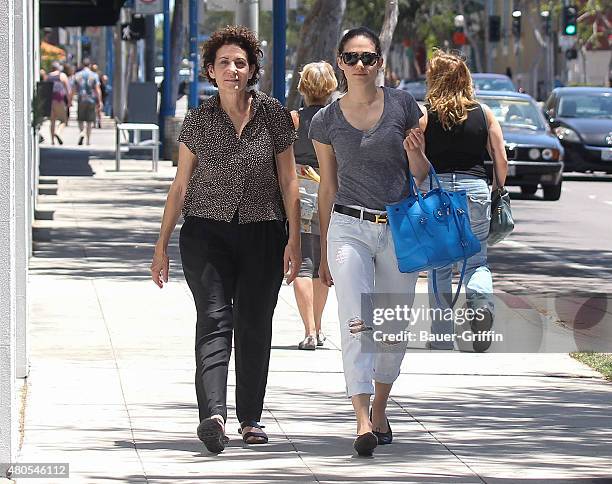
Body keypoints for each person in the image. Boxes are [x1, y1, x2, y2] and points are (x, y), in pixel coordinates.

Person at [150, 25, 301, 455]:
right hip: (205, 233)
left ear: (252, 69)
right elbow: (180, 186)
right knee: (215, 319)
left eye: (240, 63)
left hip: (263, 232)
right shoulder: (199, 119)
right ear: (210, 71)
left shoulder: (273, 114)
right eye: (224, 63)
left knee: (255, 322)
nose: (233, 70)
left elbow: (289, 182)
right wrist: (160, 247)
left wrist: (295, 241)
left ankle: (250, 418)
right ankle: (212, 415)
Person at [309, 27, 430, 456]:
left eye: (369, 58)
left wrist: (415, 152)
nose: (361, 65)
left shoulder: (402, 104)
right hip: (348, 227)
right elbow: (327, 186)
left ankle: (380, 408)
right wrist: (322, 248)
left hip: (399, 227)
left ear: (380, 61)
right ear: (339, 62)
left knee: (393, 323)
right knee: (356, 319)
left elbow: (421, 174)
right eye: (352, 58)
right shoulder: (325, 120)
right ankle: (361, 419)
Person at [419, 50, 508, 352]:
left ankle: (442, 334)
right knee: (476, 261)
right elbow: (501, 159)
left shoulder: (425, 115)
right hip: (475, 190)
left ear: (434, 79)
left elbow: (414, 158)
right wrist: (497, 191)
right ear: (465, 78)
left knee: (439, 266)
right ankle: (480, 304)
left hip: (438, 191)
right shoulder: (484, 113)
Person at [290, 61, 336, 351]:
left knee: (301, 264)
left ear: (303, 86)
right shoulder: (338, 118)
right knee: (323, 264)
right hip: (331, 193)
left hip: (301, 194)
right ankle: (318, 327)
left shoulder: (292, 119)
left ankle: (308, 329)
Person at [73, 58, 102, 145]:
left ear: (82, 65)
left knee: (80, 119)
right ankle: (88, 141)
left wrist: (70, 100)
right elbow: (97, 89)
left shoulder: (77, 75)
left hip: (81, 99)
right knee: (89, 121)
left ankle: (82, 132)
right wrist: (100, 101)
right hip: (91, 99)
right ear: (90, 65)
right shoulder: (94, 75)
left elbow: (73, 89)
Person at [47, 62, 71, 145]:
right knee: (63, 120)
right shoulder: (62, 75)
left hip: (50, 100)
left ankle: (52, 140)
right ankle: (58, 132)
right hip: (59, 99)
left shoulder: (48, 76)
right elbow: (68, 90)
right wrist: (69, 101)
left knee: (52, 120)